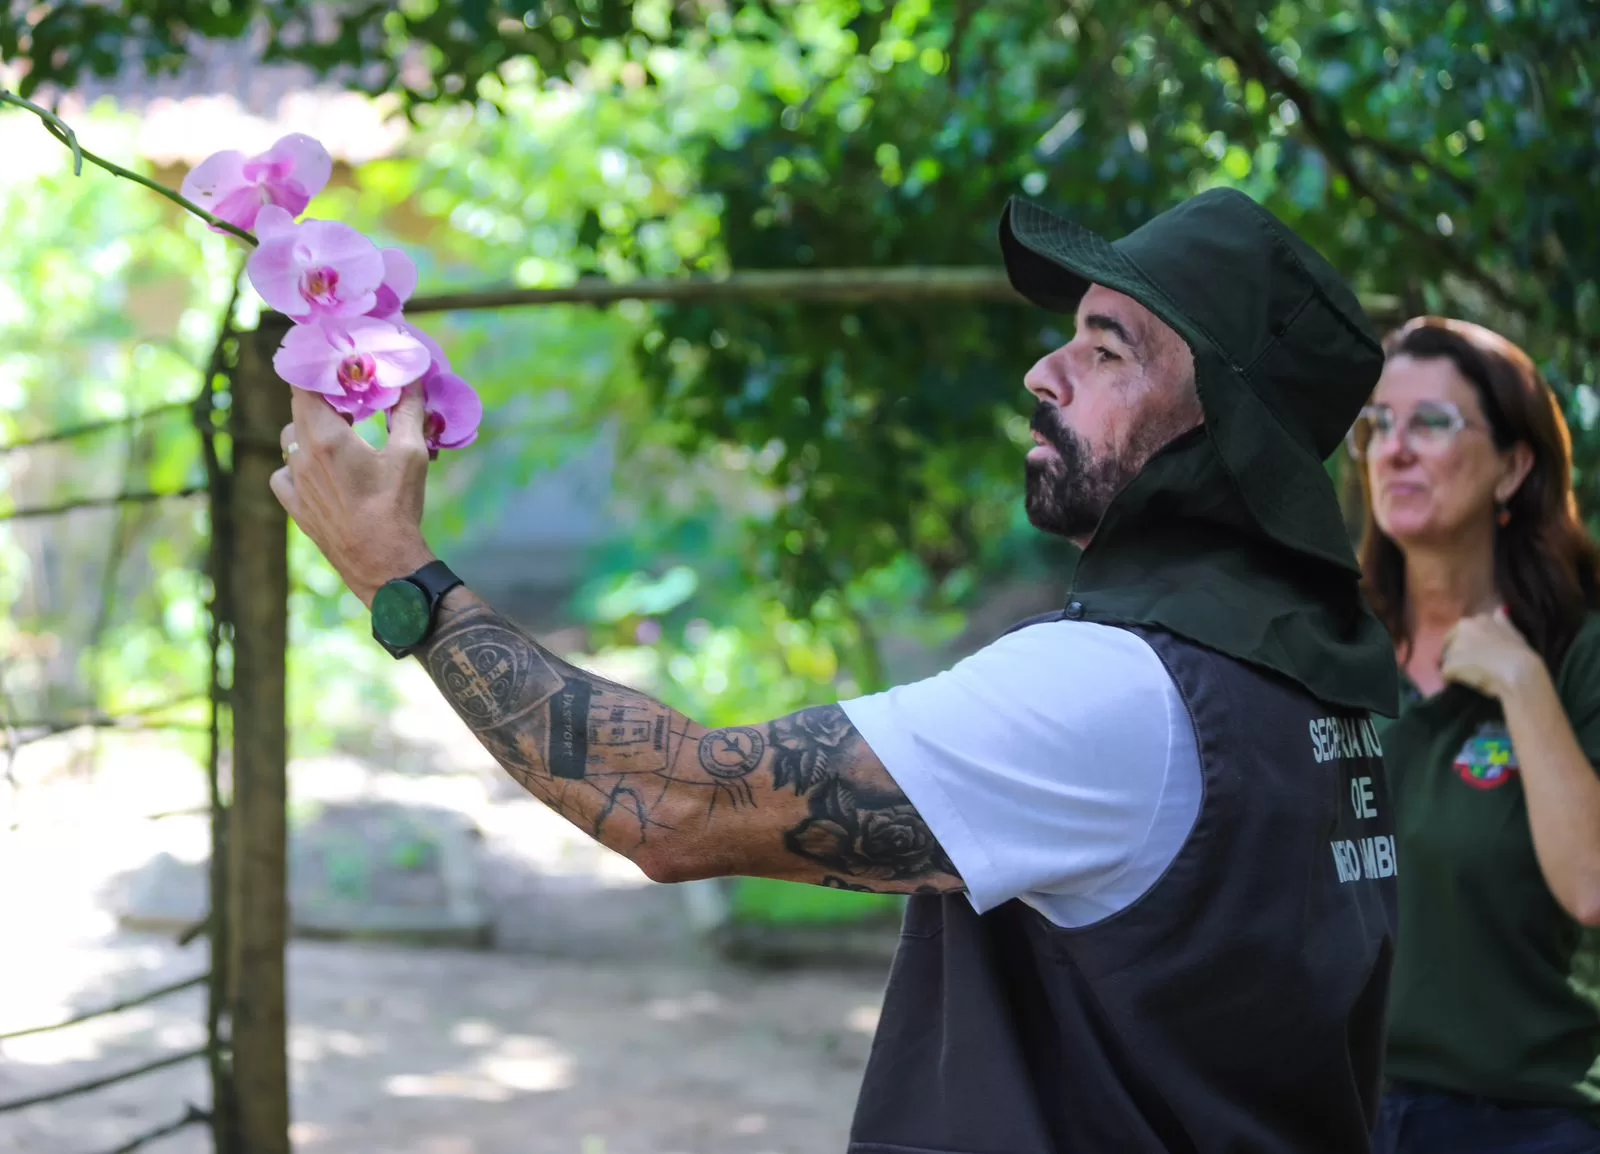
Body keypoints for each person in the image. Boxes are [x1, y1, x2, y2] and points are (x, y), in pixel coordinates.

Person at [271, 189, 1401, 1153]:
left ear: (1223, 430)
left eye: (1109, 350)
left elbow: (674, 802)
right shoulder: (1324, 679)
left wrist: (398, 578)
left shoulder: (1116, 694)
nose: (1044, 370)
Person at [1350, 316, 1600, 1154]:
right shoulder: (1329, 653)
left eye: (1432, 422)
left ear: (1514, 466)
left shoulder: (1579, 655)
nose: (1395, 448)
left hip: (1530, 1123)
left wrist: (1521, 681)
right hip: (1334, 1114)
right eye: (1378, 424)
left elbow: (1595, 887)